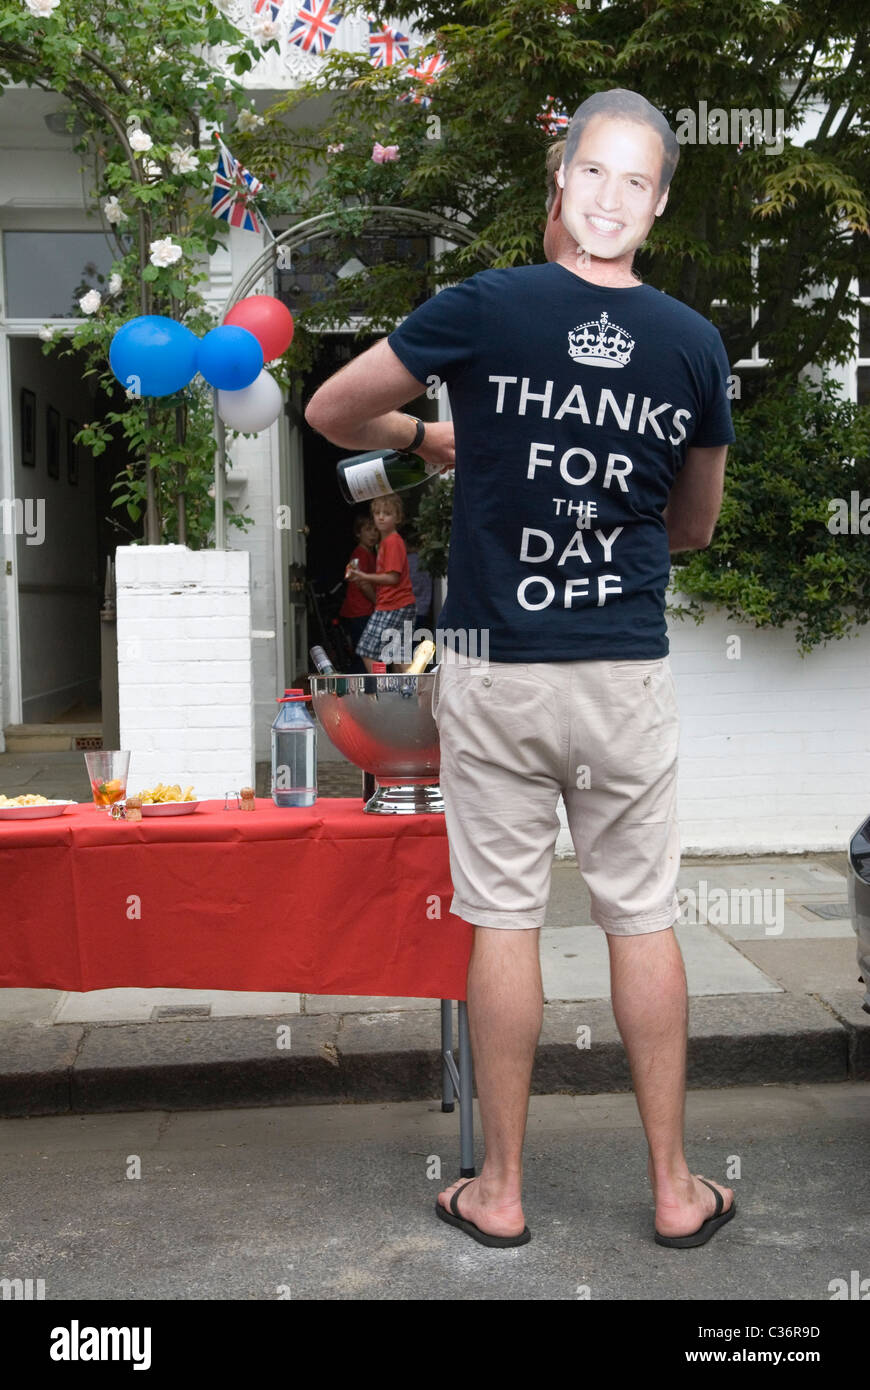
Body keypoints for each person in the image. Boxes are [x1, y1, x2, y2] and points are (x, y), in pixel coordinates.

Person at [304, 88, 736, 1251]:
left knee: (504, 919)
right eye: (600, 174)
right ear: (575, 185)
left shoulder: (484, 308)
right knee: (640, 919)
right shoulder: (695, 344)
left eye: (628, 179)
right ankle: (676, 1188)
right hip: (622, 671)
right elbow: (692, 527)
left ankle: (500, 1192)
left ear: (647, 200)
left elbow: (333, 407)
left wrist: (424, 435)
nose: (608, 196)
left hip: (496, 667)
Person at [345, 492, 418, 672]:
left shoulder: (392, 542)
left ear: (398, 517)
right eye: (377, 513)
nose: (381, 518)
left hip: (393, 604)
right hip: (402, 604)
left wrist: (363, 576)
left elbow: (392, 578)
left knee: (367, 649)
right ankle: (411, 694)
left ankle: (380, 692)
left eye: (387, 513)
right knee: (401, 655)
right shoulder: (387, 542)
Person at [338, 513, 378, 673]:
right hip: (361, 611)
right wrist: (377, 602)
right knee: (365, 654)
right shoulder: (361, 554)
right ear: (358, 533)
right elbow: (363, 583)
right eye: (368, 530)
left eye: (375, 530)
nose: (373, 534)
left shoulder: (367, 554)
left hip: (361, 611)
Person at [404, 526, 434, 629]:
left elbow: (412, 587)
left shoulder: (407, 562)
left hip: (410, 610)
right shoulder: (426, 560)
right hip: (425, 609)